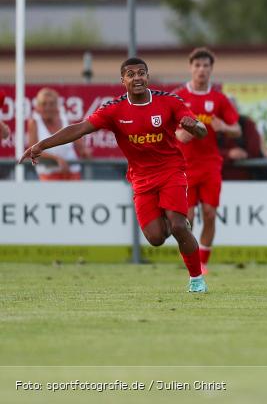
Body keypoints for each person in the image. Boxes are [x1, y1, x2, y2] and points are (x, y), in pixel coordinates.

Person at [20, 58, 210, 293]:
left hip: (171, 170)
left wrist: (196, 127)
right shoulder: (114, 109)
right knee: (156, 238)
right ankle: (171, 220)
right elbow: (79, 128)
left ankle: (196, 279)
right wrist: (42, 145)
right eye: (131, 74)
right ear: (123, 81)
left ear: (147, 77)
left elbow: (201, 131)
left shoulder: (168, 102)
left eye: (141, 73)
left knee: (179, 226)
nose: (137, 77)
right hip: (141, 178)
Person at [174, 48, 241, 273]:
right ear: (191, 68)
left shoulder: (219, 98)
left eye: (206, 66)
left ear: (211, 69)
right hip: (184, 165)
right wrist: (177, 134)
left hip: (210, 164)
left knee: (210, 213)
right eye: (197, 65)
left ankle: (202, 263)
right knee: (187, 218)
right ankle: (191, 260)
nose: (201, 70)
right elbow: (167, 128)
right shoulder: (179, 96)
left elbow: (237, 129)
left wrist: (225, 128)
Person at [25, 88, 90, 181]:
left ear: (57, 106)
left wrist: (85, 152)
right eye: (44, 104)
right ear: (38, 107)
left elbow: (80, 146)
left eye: (51, 104)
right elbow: (32, 151)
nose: (47, 108)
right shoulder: (34, 123)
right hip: (48, 174)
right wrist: (57, 159)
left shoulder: (66, 120)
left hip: (72, 173)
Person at [218, 99, 267, 181]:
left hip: (248, 181)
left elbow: (254, 150)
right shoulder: (214, 126)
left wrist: (242, 155)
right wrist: (228, 154)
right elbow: (207, 153)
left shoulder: (247, 124)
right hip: (220, 180)